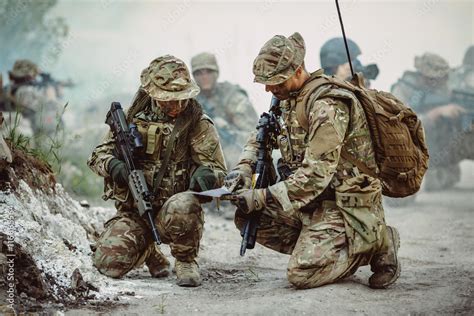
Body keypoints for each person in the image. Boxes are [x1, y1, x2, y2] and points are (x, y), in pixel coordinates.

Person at [226, 32, 400, 289]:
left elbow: (316, 176)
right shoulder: (287, 98)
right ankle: (323, 244)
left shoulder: (326, 105)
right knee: (249, 217)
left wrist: (263, 196)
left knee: (301, 275)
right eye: (265, 82)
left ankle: (377, 241)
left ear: (298, 71)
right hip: (310, 202)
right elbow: (259, 136)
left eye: (275, 81)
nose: (268, 89)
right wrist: (243, 167)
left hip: (344, 204)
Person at [87, 55, 226, 287]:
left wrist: (207, 175)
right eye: (169, 100)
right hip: (135, 213)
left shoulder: (196, 122)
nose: (177, 106)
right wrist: (113, 166)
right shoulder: (130, 119)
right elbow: (96, 156)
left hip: (175, 211)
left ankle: (185, 260)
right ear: (152, 94)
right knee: (107, 264)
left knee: (183, 204)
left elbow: (217, 169)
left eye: (181, 99)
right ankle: (148, 251)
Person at [391, 53, 465, 190]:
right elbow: (399, 124)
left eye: (443, 77)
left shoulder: (443, 88)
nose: (442, 81)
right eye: (437, 78)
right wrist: (435, 113)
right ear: (423, 75)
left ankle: (442, 170)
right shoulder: (403, 89)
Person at [191, 52, 258, 169]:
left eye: (208, 71)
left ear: (216, 73)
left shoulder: (232, 96)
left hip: (232, 151)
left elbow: (253, 135)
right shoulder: (190, 101)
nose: (204, 77)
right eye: (199, 73)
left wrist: (227, 130)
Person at [1, 59, 64, 140]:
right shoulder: (26, 91)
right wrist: (52, 96)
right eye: (34, 74)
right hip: (26, 132)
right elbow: (47, 115)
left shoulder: (9, 88)